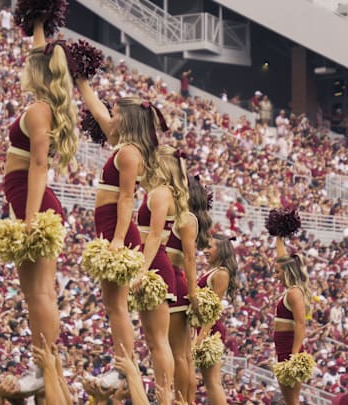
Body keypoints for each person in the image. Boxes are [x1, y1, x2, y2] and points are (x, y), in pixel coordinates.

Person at [1, 19, 77, 395]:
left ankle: (44, 362)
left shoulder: (39, 111)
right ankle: (41, 361)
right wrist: (38, 23)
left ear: (37, 72)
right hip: (26, 202)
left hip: (34, 205)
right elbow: (43, 54)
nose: (23, 67)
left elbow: (38, 166)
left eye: (29, 63)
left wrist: (29, 220)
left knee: (42, 292)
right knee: (33, 294)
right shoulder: (42, 107)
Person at [75, 73, 161, 388]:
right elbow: (98, 111)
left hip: (116, 225)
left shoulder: (128, 153)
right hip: (109, 223)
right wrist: (81, 81)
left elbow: (127, 198)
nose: (111, 117)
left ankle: (125, 368)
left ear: (128, 119)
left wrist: (117, 239)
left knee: (116, 303)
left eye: (117, 113)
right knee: (112, 303)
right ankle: (122, 364)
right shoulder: (125, 145)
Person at [135, 145, 194, 404]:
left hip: (156, 266)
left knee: (159, 341)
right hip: (155, 265)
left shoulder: (160, 193)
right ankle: (164, 393)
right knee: (154, 340)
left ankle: (165, 395)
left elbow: (156, 237)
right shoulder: (164, 193)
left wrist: (141, 270)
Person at [165, 175, 213, 402]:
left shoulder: (185, 219)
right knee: (183, 354)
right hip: (178, 281)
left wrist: (193, 292)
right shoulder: (184, 218)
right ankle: (187, 399)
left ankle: (181, 399)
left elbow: (189, 259)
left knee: (179, 354)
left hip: (176, 282)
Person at [194, 235, 239, 405]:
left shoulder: (222, 273)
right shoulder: (212, 270)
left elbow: (214, 309)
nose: (205, 250)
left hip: (209, 331)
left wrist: (202, 336)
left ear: (221, 250)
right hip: (202, 328)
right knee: (210, 381)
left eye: (210, 247)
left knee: (213, 381)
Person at [272, 235, 312, 405]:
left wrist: (294, 355)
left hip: (290, 348)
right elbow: (281, 256)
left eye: (277, 272)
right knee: (289, 400)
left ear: (287, 272)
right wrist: (279, 236)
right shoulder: (291, 290)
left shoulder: (295, 293)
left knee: (292, 400)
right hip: (283, 347)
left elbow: (301, 324)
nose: (275, 276)